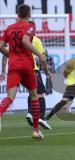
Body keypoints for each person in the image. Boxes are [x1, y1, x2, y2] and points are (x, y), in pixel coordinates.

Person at [0, 4, 46, 139]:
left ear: (17, 14)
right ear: (29, 14)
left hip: (13, 66)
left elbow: (1, 46)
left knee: (10, 97)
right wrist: (39, 54)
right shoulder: (30, 26)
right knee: (34, 96)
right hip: (26, 66)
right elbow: (25, 40)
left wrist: (10, 55)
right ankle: (36, 130)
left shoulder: (9, 28)